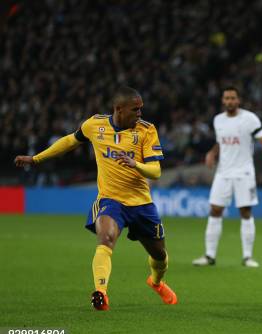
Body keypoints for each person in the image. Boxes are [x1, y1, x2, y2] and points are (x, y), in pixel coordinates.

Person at [14, 86, 177, 310]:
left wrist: (135, 164)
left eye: (141, 109)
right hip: (110, 200)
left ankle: (157, 282)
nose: (140, 114)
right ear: (119, 109)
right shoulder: (95, 125)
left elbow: (156, 172)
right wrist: (36, 159)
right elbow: (70, 141)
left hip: (141, 204)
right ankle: (101, 292)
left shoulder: (147, 130)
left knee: (160, 256)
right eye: (135, 109)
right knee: (106, 240)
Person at [192, 87, 262, 268]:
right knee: (215, 209)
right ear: (223, 101)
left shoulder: (250, 119)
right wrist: (212, 153)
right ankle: (209, 256)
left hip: (244, 172)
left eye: (233, 98)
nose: (229, 101)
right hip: (223, 172)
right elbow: (221, 141)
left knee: (245, 212)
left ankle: (247, 257)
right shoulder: (218, 120)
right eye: (227, 98)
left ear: (238, 100)